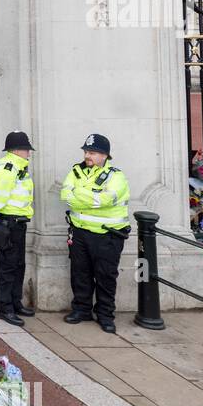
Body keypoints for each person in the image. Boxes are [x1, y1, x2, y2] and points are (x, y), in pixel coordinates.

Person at [61, 133, 131, 333]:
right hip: (80, 232)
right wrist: (92, 196)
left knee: (105, 276)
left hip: (107, 235)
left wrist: (80, 195)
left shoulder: (116, 176)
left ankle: (105, 315)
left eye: (92, 152)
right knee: (80, 273)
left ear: (104, 156)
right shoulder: (76, 171)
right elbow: (66, 195)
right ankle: (81, 309)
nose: (87, 156)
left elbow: (106, 200)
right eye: (86, 151)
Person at [0, 131, 35, 326]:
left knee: (18, 265)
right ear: (16, 150)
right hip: (9, 223)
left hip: (18, 223)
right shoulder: (9, 169)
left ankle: (15, 302)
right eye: (26, 149)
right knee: (7, 268)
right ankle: (4, 308)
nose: (29, 153)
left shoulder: (17, 166)